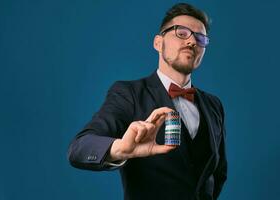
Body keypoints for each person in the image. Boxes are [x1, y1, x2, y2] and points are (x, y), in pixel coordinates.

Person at [68, 2, 227, 200]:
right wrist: (120, 149)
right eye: (182, 33)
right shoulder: (128, 93)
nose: (192, 42)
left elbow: (218, 173)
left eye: (200, 38)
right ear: (158, 43)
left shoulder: (214, 105)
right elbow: (79, 148)